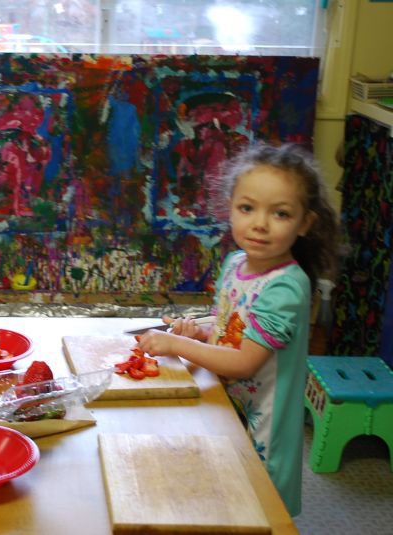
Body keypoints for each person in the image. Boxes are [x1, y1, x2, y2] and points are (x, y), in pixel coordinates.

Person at [137, 142, 339, 517]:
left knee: (257, 507)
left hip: (264, 421)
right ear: (230, 207)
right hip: (229, 404)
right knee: (225, 496)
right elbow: (234, 322)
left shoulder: (286, 287)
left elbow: (246, 361)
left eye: (280, 213)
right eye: (247, 208)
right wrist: (198, 331)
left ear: (305, 222)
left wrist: (172, 343)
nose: (259, 223)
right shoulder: (235, 263)